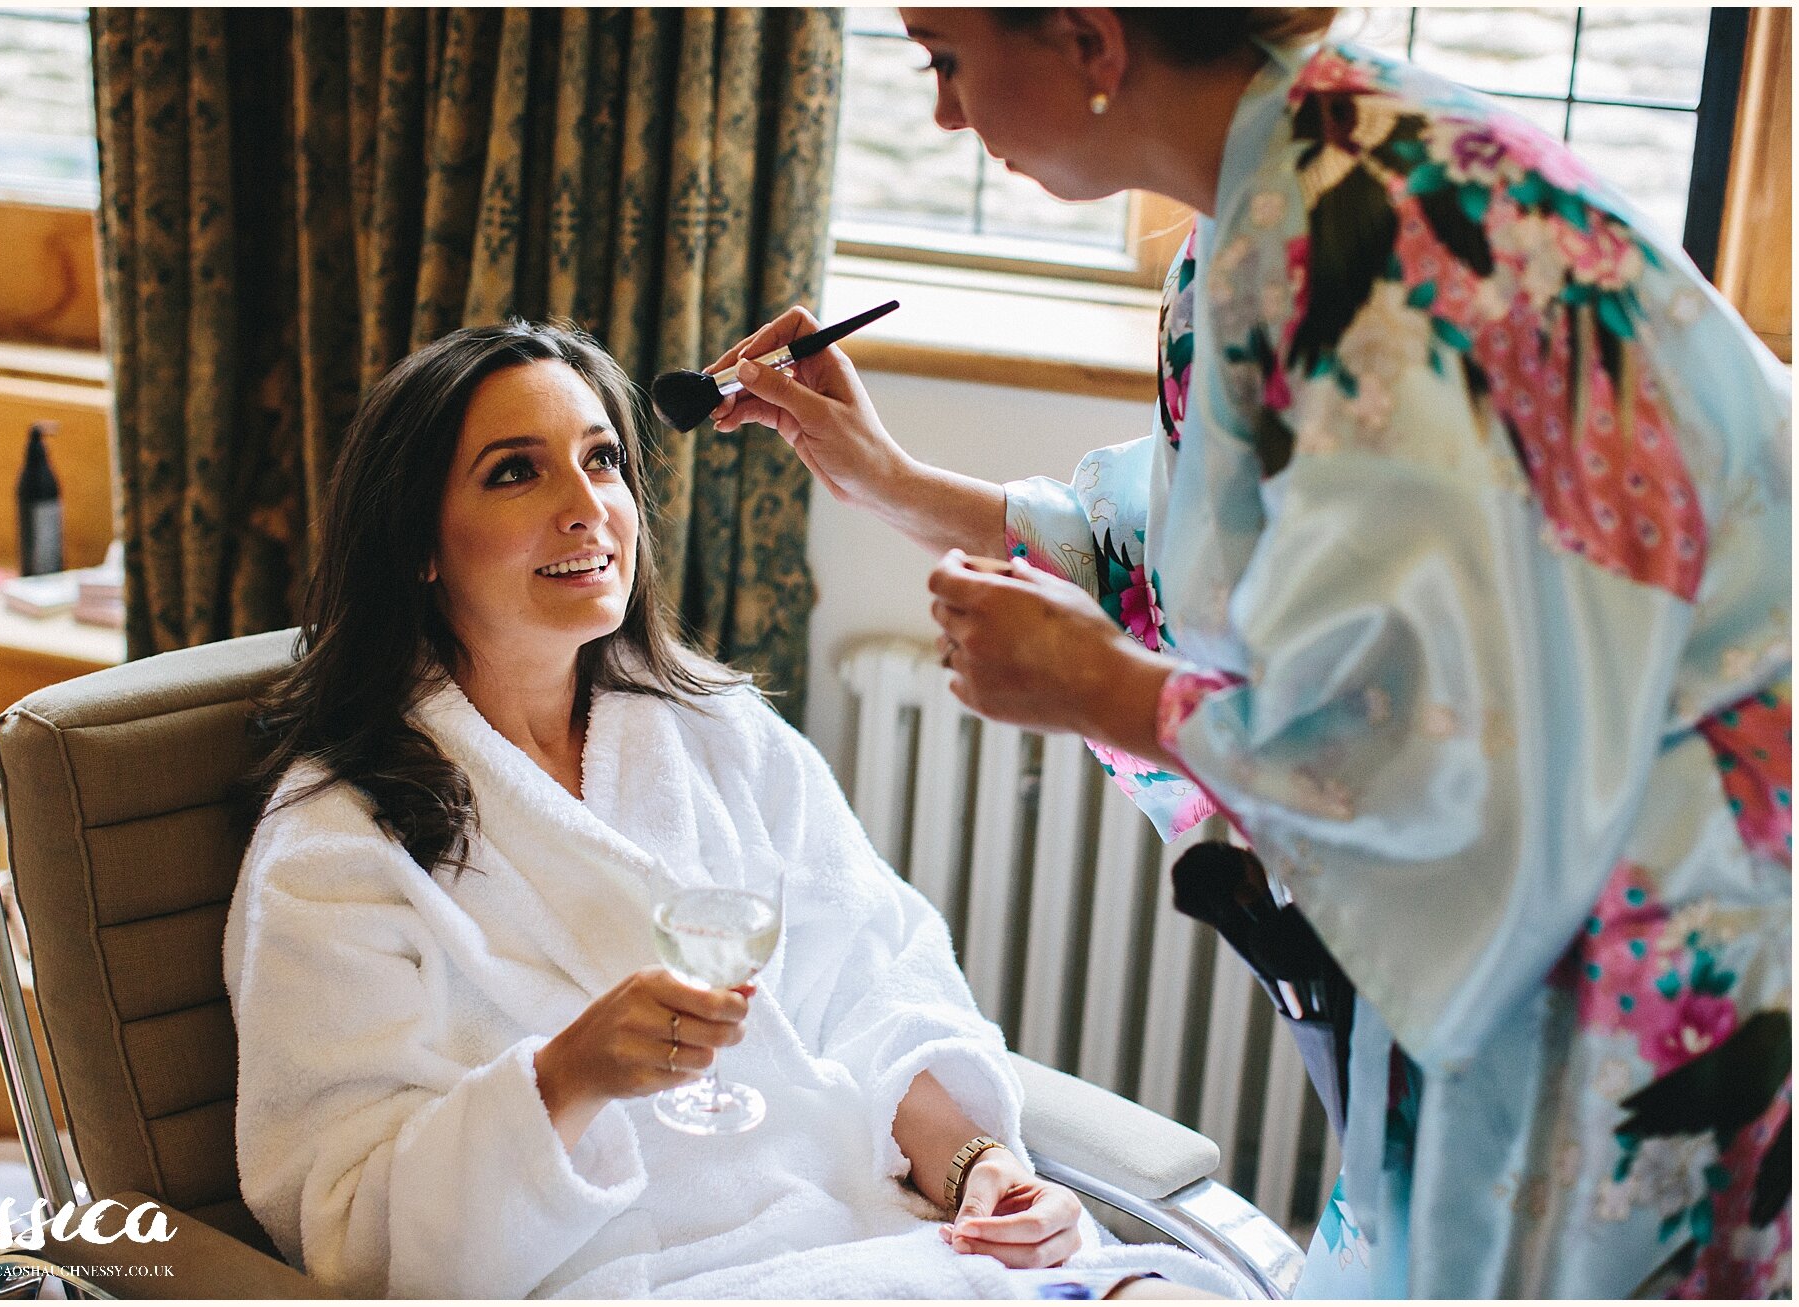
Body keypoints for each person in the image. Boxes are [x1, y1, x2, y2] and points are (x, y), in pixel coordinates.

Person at [709, 8, 1791, 1299]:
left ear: (1087, 38)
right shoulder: (1263, 206)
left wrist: (1093, 685)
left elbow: (1418, 731)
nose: (941, 114)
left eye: (942, 59)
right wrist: (890, 483)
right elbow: (1189, 548)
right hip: (1555, 904)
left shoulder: (1372, 249)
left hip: (1637, 930)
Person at [221, 321, 1235, 1300]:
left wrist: (978, 1169)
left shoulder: (719, 738)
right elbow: (354, 1238)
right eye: (515, 471)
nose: (588, 506)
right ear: (418, 545)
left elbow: (874, 985)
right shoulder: (335, 849)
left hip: (876, 1237)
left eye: (603, 458)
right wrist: (567, 1074)